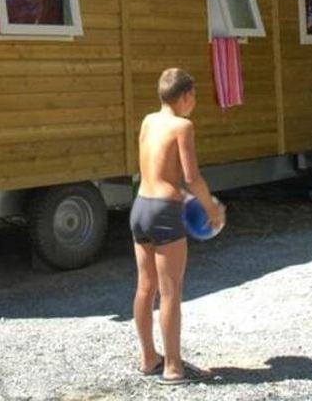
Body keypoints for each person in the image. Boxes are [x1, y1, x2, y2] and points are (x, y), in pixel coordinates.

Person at [129, 68, 224, 385]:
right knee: (170, 291)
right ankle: (172, 367)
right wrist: (211, 208)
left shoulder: (148, 121)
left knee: (146, 287)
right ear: (185, 96)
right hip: (165, 212)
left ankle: (148, 359)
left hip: (140, 207)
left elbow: (154, 171)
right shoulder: (183, 126)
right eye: (194, 95)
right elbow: (192, 177)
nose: (194, 101)